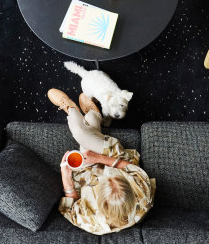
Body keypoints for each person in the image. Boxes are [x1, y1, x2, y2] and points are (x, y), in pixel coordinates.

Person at [47, 88, 155, 236]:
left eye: (106, 179)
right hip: (114, 158)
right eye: (116, 177)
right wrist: (99, 159)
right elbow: (130, 168)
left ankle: (91, 114)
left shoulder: (92, 223)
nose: (106, 173)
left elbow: (71, 208)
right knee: (80, 132)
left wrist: (65, 176)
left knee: (87, 129)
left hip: (86, 175)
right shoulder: (143, 196)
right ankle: (75, 110)